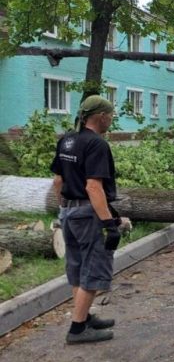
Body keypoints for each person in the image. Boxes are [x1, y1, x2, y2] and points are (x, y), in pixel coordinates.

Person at [51, 95, 121, 344]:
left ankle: (84, 315)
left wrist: (64, 207)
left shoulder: (67, 139)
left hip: (69, 212)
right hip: (86, 214)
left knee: (77, 268)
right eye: (110, 115)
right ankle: (78, 329)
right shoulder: (97, 144)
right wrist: (109, 223)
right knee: (93, 268)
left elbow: (58, 181)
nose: (111, 119)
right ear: (101, 116)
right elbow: (94, 187)